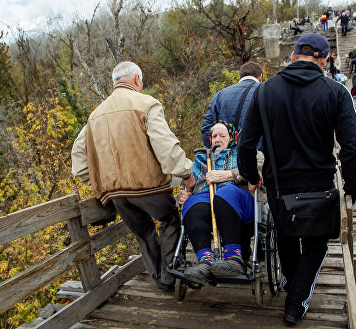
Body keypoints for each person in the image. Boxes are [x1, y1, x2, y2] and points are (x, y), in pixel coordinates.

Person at [237, 33, 356, 325]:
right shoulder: (336, 93)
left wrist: (250, 174)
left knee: (285, 235)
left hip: (278, 186)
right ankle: (296, 301)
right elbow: (352, 146)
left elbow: (245, 143)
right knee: (316, 245)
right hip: (319, 187)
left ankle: (293, 288)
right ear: (324, 60)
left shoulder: (264, 91)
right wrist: (354, 186)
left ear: (293, 57)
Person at [71, 61, 196, 292]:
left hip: (116, 194)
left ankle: (159, 278)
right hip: (150, 188)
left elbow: (78, 163)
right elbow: (165, 146)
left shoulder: (94, 116)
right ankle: (171, 276)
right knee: (169, 221)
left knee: (144, 232)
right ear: (137, 80)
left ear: (114, 83)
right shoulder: (147, 104)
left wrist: (100, 182)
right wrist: (186, 172)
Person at [179, 122, 264, 284]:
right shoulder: (200, 158)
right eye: (214, 136)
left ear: (231, 138)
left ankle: (234, 258)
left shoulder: (245, 153)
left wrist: (228, 175)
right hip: (206, 198)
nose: (218, 139)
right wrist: (184, 196)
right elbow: (190, 185)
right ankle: (205, 262)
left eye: (222, 136)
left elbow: (259, 168)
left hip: (241, 201)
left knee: (225, 192)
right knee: (192, 204)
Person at [201, 62, 262, 148]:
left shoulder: (219, 95)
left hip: (227, 157)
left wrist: (216, 154)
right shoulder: (267, 93)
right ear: (260, 77)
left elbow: (207, 128)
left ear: (239, 77)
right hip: (256, 155)